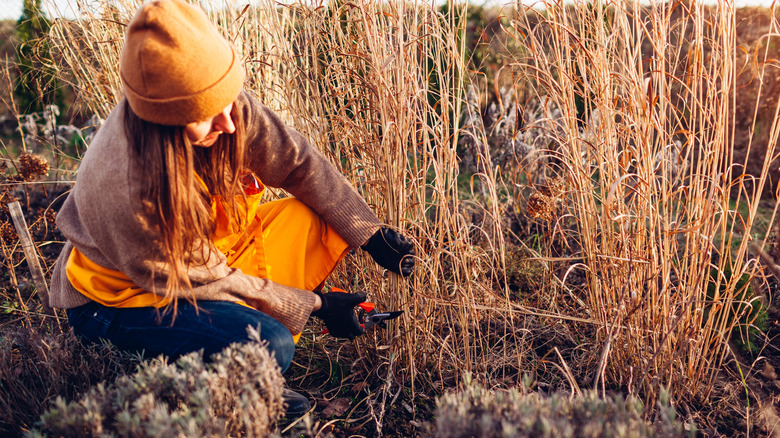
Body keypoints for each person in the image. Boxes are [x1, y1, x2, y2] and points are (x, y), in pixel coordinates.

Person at [48, 0, 415, 418]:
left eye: (227, 101)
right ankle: (217, 394)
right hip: (123, 302)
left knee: (318, 218)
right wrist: (317, 306)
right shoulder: (132, 189)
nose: (229, 122)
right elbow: (211, 280)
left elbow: (297, 163)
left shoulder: (221, 103)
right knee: (268, 342)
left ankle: (240, 354)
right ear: (164, 122)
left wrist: (369, 232)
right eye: (206, 116)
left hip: (207, 259)